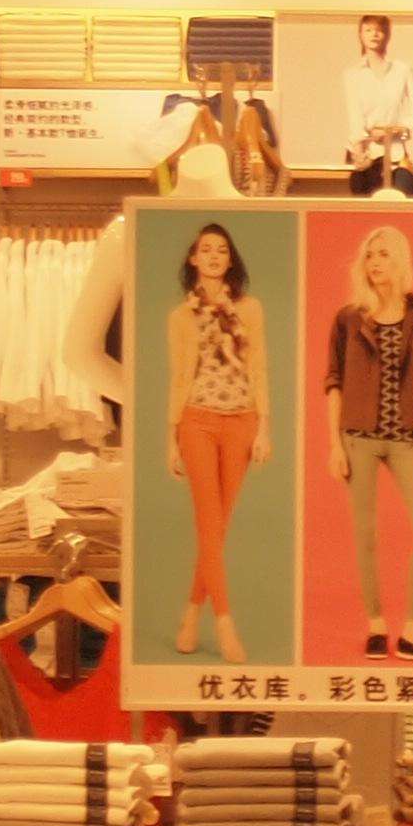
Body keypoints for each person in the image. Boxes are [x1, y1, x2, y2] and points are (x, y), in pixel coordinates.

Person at [322, 223, 413, 661]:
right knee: (365, 532)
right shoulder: (348, 318)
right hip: (357, 437)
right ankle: (376, 624)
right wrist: (334, 444)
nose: (375, 262)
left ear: (400, 261)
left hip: (407, 438)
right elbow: (334, 382)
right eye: (369, 254)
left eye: (383, 254)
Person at [162, 224, 270, 661]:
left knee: (217, 530)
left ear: (230, 260)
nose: (213, 256)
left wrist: (265, 427)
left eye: (221, 250)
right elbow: (178, 376)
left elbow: (258, 367)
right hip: (198, 421)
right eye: (205, 249)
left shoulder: (250, 309)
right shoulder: (180, 316)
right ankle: (225, 623)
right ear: (193, 258)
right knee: (208, 525)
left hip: (242, 420)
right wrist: (171, 438)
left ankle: (191, 615)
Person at [344, 13, 413, 195]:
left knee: (404, 191)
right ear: (360, 35)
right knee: (364, 197)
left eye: (379, 30)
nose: (374, 35)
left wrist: (394, 129)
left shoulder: (402, 70)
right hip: (367, 155)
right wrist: (359, 148)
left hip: (396, 154)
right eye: (368, 30)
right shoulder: (353, 75)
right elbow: (355, 117)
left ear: (387, 35)